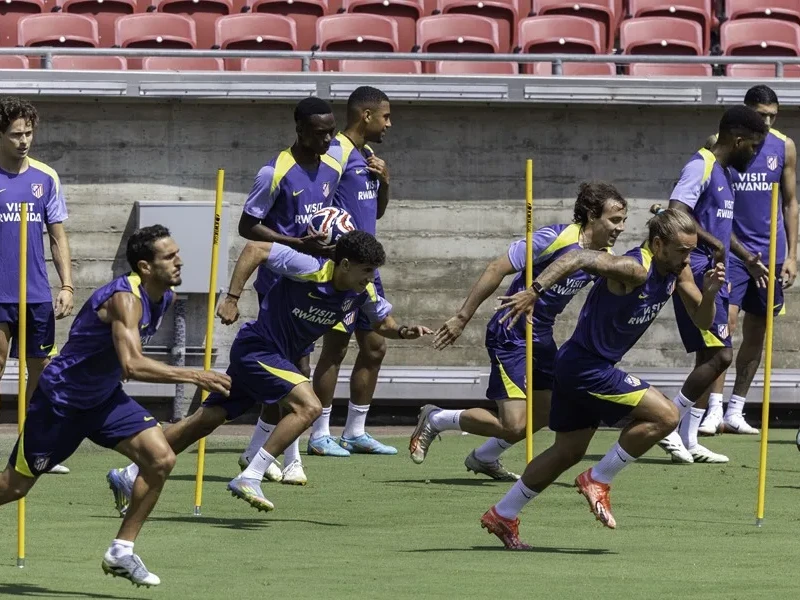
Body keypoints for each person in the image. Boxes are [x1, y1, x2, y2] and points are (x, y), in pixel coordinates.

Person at [109, 231, 431, 514]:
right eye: (365, 271)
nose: (369, 278)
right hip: (257, 348)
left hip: (273, 359)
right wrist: (232, 298)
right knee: (310, 407)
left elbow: (380, 322)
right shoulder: (310, 268)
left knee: (205, 421)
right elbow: (255, 249)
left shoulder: (364, 291)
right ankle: (251, 476)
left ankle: (129, 473)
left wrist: (403, 331)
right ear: (344, 264)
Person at [478, 209, 725, 549]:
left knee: (567, 452)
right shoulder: (635, 268)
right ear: (658, 244)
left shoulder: (677, 270)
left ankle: (503, 514)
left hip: (576, 365)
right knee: (667, 415)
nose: (689, 257)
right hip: (586, 367)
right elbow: (577, 257)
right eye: (683, 250)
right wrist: (535, 289)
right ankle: (599, 478)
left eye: (692, 250)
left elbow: (702, 321)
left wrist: (710, 292)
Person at [1, 225, 231, 586]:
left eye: (177, 253)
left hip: (104, 399)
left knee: (160, 459)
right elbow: (133, 365)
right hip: (61, 401)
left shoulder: (166, 298)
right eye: (169, 257)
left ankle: (121, 551)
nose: (179, 261)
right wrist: (195, 375)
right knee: (14, 488)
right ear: (145, 266)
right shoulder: (125, 299)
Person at [412, 183, 628, 480]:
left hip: (542, 337)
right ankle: (437, 418)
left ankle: (484, 457)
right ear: (592, 215)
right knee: (513, 425)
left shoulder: (602, 256)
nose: (620, 228)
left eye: (623, 221)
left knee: (544, 413)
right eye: (614, 220)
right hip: (510, 333)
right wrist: (462, 317)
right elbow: (496, 268)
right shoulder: (554, 238)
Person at [232, 97, 342, 485]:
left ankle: (259, 452)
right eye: (320, 132)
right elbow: (248, 227)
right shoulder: (274, 171)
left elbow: (328, 219)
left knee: (296, 368)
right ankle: (290, 458)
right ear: (299, 130)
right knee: (293, 369)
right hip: (279, 283)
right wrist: (294, 243)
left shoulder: (331, 166)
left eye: (331, 130)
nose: (328, 138)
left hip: (314, 280)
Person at [654, 105, 769, 464]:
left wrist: (743, 255)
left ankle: (689, 439)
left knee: (709, 355)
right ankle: (666, 421)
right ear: (738, 140)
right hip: (695, 269)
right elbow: (676, 212)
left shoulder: (723, 173)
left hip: (717, 271)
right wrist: (714, 247)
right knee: (721, 354)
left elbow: (719, 226)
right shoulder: (700, 165)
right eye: (753, 146)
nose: (753, 155)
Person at [698, 85, 798, 436]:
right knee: (726, 327)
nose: (767, 122)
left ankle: (736, 410)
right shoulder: (720, 142)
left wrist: (792, 256)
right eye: (761, 114)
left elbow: (790, 203)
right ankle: (713, 408)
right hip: (732, 251)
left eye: (773, 115)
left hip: (770, 254)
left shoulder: (784, 146)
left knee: (758, 332)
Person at [309, 86, 396, 457]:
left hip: (368, 270)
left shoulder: (371, 155)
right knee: (336, 347)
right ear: (365, 115)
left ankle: (355, 432)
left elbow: (375, 213)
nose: (389, 124)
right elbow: (319, 208)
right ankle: (318, 432)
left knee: (375, 347)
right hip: (342, 270)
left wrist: (386, 180)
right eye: (386, 116)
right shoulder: (336, 152)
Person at [0, 97, 74, 475]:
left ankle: (32, 449)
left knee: (41, 371)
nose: (24, 141)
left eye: (28, 133)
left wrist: (67, 285)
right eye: (15, 134)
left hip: (36, 295)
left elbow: (58, 237)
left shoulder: (46, 178)